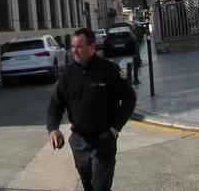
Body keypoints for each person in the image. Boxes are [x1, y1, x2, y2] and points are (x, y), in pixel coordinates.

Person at [46, 27, 137, 191]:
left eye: (79, 47)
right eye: (72, 47)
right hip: (79, 142)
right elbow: (55, 104)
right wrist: (53, 128)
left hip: (103, 140)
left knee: (100, 187)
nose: (75, 51)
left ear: (92, 47)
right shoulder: (67, 75)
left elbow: (129, 99)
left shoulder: (109, 70)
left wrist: (116, 127)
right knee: (88, 187)